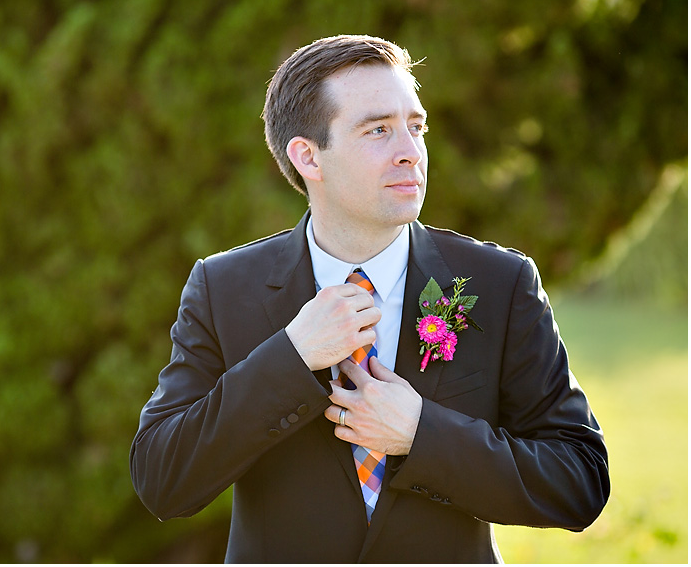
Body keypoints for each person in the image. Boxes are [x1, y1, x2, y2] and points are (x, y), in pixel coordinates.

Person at [130, 34, 609, 563]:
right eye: (379, 130)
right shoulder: (222, 288)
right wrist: (289, 358)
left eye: (416, 126)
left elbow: (579, 480)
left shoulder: (500, 283)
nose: (411, 151)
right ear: (308, 156)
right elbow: (162, 479)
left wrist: (422, 433)